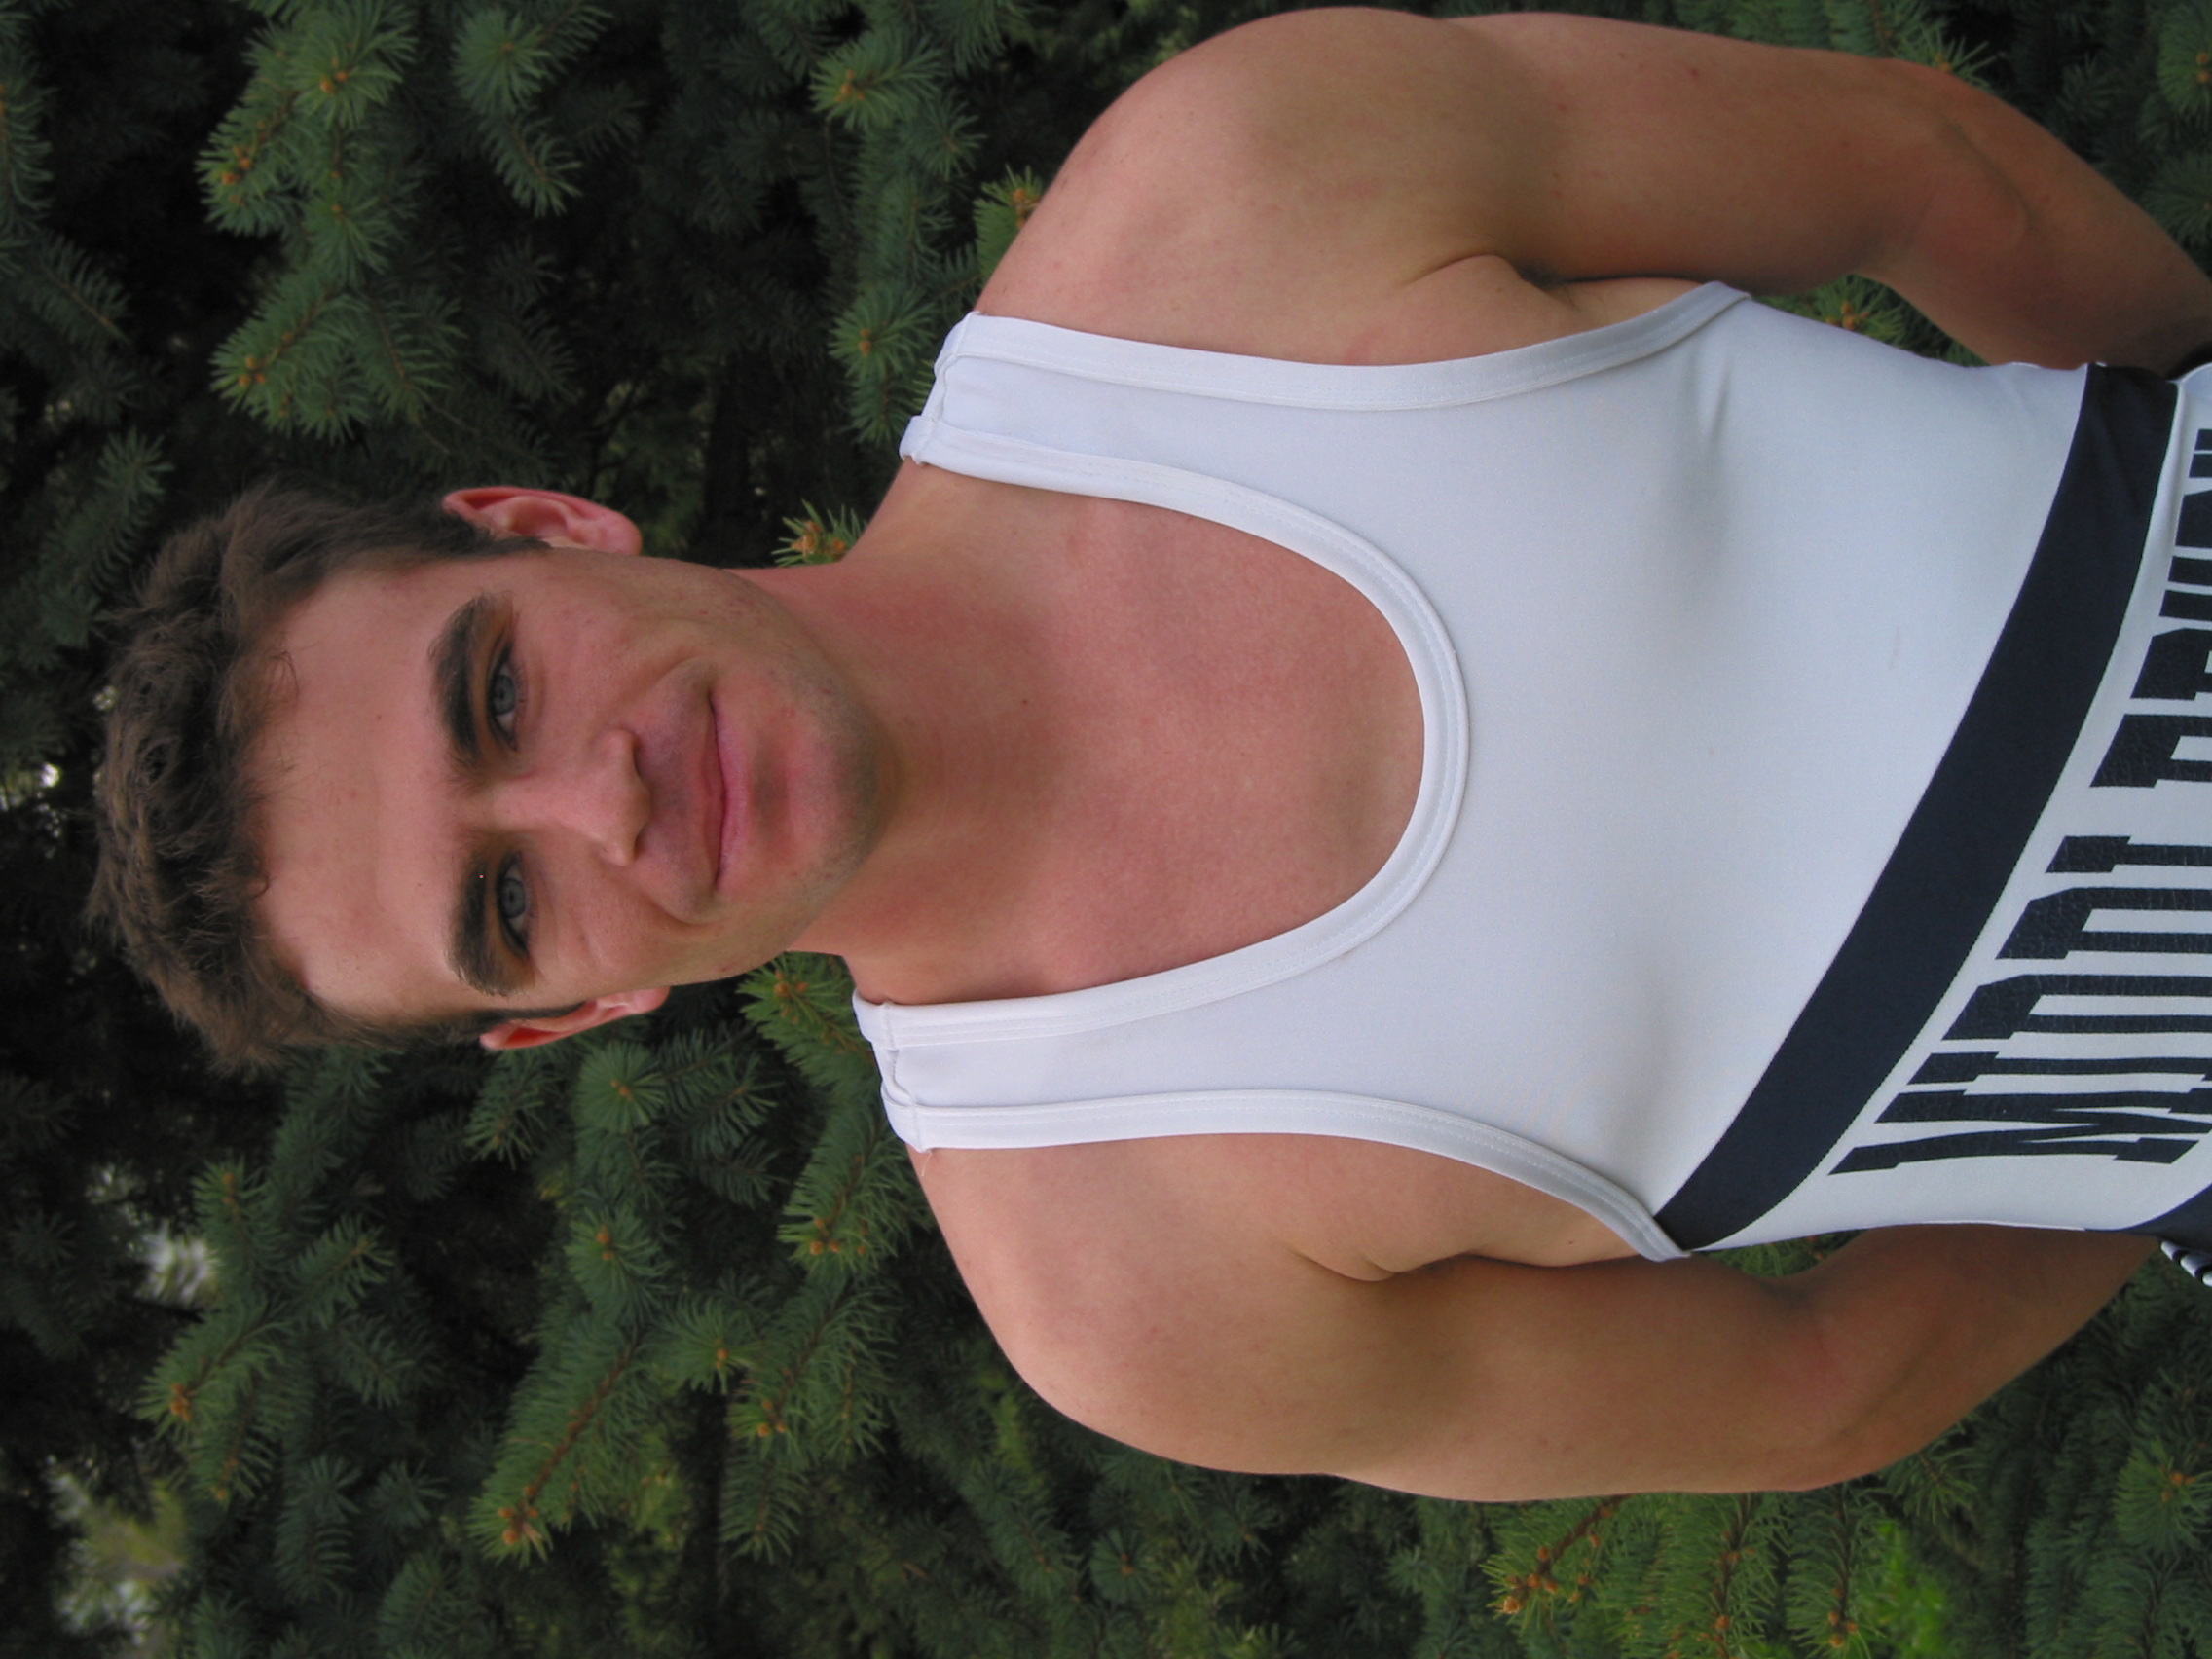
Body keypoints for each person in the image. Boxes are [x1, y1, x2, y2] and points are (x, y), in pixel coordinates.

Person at [91, 8, 2212, 1502]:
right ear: (571, 1009)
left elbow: (1903, 167)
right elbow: (1813, 1390)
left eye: (494, 696)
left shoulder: (1216, 210)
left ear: (545, 528)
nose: (599, 800)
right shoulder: (1125, 1294)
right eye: (505, 900)